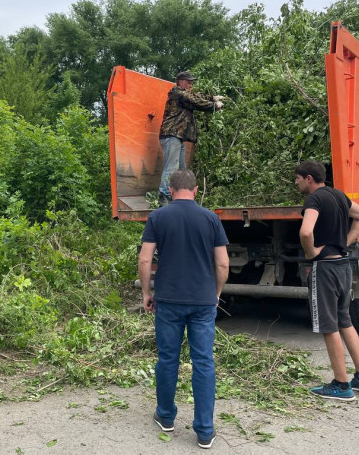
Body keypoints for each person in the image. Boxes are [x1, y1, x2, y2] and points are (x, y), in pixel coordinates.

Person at [138, 169, 229, 449]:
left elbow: (144, 259)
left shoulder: (158, 217)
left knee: (168, 359)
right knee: (203, 362)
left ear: (170, 188)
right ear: (196, 189)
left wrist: (146, 292)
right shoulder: (211, 218)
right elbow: (223, 264)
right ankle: (204, 430)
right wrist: (215, 293)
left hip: (169, 300)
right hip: (203, 302)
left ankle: (166, 417)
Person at [294, 160, 359, 401]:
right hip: (343, 265)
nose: (295, 182)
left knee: (328, 326)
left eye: (298, 178)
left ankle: (341, 385)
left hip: (326, 268)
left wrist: (311, 253)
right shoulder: (339, 196)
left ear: (309, 178)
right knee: (344, 320)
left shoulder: (314, 200)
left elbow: (306, 231)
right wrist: (346, 242)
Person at [158, 71, 224, 206]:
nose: (191, 85)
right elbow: (195, 100)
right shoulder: (179, 94)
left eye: (191, 83)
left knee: (181, 171)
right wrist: (214, 106)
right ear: (180, 81)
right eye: (188, 82)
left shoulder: (184, 93)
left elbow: (197, 96)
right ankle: (164, 198)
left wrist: (213, 97)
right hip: (171, 135)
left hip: (178, 137)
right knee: (171, 168)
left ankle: (179, 198)